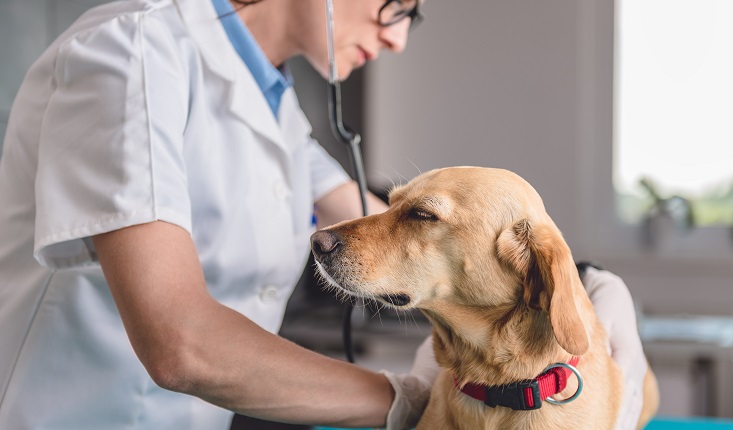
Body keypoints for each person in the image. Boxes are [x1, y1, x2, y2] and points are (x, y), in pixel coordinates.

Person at [0, 0, 647, 429]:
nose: (396, 37)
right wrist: (409, 399)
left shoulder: (278, 114)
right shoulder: (132, 56)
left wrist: (585, 287)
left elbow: (413, 231)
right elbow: (180, 343)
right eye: (398, 5)